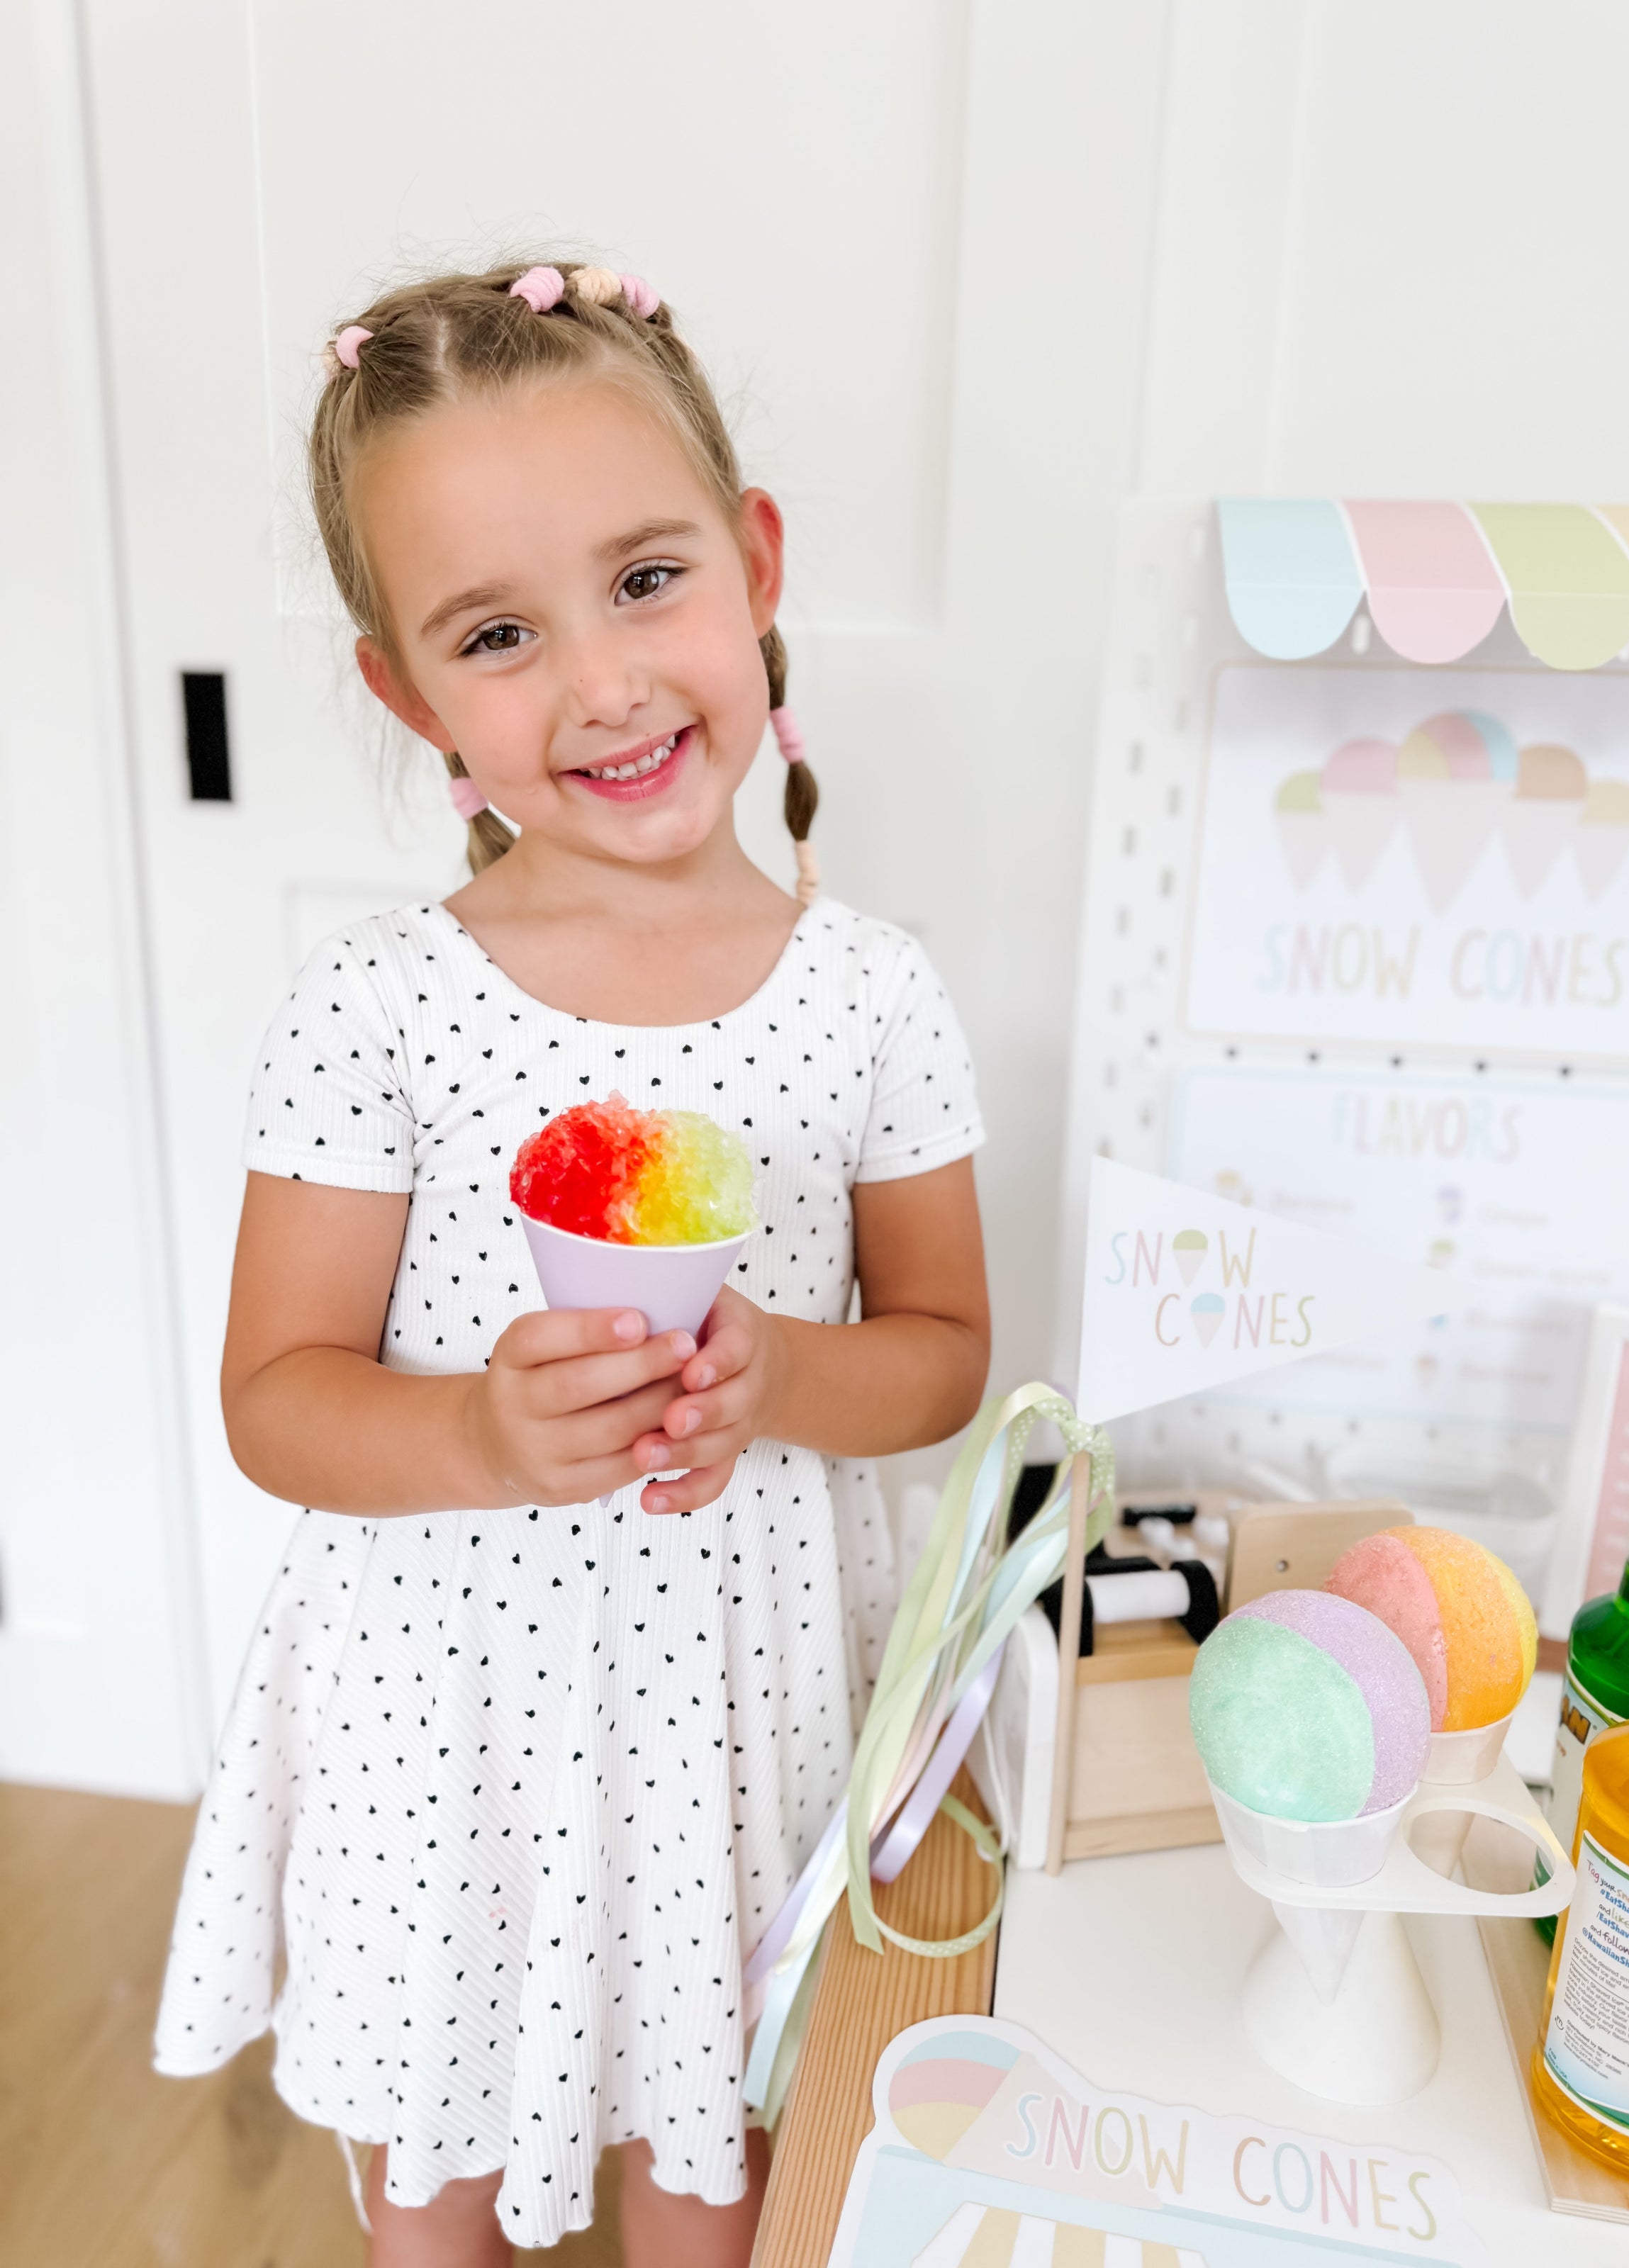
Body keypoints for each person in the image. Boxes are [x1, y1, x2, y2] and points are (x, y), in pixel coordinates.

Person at [152, 258, 991, 2267]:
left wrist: (786, 1377)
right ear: (408, 692)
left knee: (712, 2175)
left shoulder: (870, 997)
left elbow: (948, 1351)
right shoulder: (378, 1008)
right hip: (441, 1718)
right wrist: (478, 1428)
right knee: (437, 2186)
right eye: (498, 632)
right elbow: (278, 1398)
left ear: (754, 562)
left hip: (735, 1702)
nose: (604, 683)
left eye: (644, 581)